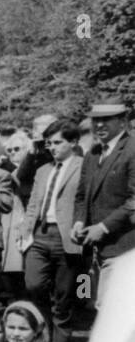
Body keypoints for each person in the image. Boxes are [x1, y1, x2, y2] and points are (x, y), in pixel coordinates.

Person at [20, 119, 85, 342]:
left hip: (66, 235)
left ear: (73, 142)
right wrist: (25, 230)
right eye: (49, 143)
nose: (52, 148)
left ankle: (61, 340)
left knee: (65, 292)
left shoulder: (84, 166)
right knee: (33, 284)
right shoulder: (42, 170)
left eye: (58, 143)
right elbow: (33, 203)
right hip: (39, 234)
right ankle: (44, 330)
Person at [72, 98, 134, 307]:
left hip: (122, 246)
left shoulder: (132, 150)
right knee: (87, 300)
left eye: (106, 119)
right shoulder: (92, 154)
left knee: (113, 308)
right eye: (96, 120)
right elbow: (81, 196)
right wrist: (78, 222)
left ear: (122, 121)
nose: (99, 125)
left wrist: (104, 227)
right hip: (90, 249)